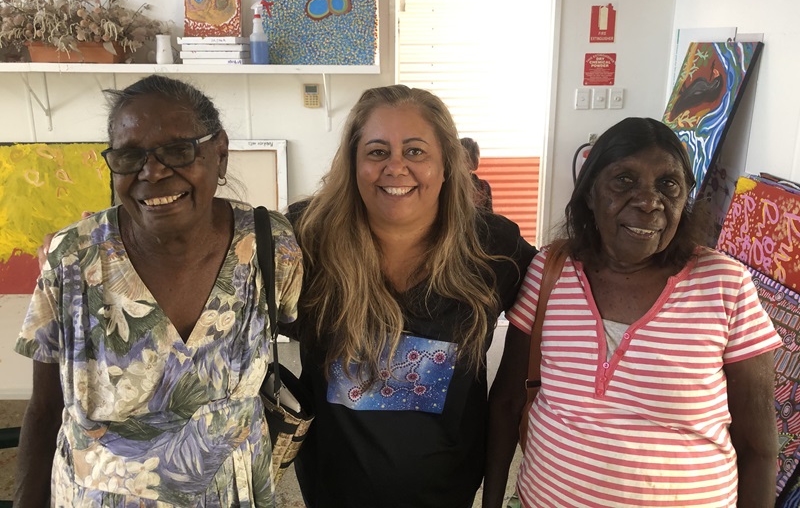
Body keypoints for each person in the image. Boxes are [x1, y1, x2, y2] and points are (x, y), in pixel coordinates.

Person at [13, 75, 303, 507]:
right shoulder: (73, 258)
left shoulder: (266, 244)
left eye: (178, 150)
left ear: (219, 154)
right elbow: (42, 408)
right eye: (130, 156)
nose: (152, 171)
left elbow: (316, 329)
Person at [483, 116, 782, 508]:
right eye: (624, 180)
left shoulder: (725, 284)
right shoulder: (551, 270)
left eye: (668, 184)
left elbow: (758, 446)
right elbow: (506, 403)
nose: (648, 201)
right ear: (590, 193)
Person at [285, 85, 536, 507]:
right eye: (377, 152)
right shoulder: (305, 238)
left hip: (447, 491)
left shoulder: (494, 248)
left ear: (446, 166)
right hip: (333, 490)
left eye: (416, 152)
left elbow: (567, 301)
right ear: (353, 163)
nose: (395, 167)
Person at [461, 136, 493, 211]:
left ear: (474, 163)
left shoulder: (483, 186)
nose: (459, 164)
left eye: (465, 159)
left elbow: (490, 216)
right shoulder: (448, 185)